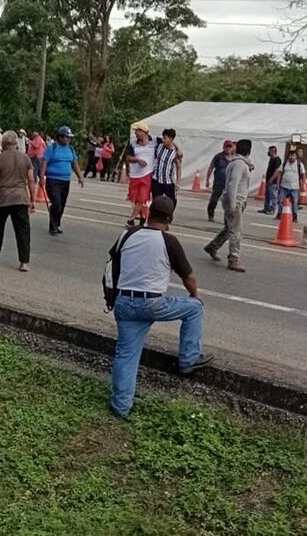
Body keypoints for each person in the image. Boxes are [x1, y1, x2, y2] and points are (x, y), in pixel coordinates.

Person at [108, 196, 212, 418]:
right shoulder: (169, 241)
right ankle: (188, 360)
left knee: (126, 355)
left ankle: (120, 407)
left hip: (123, 302)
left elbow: (112, 265)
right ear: (170, 219)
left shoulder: (127, 234)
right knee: (194, 308)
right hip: (151, 303)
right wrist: (195, 296)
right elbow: (189, 278)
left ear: (148, 213)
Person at [0, 131, 38, 272]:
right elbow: (30, 181)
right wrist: (32, 200)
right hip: (20, 198)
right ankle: (24, 262)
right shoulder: (25, 158)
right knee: (23, 231)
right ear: (16, 144)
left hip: (2, 199)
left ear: (3, 144)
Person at [203, 139, 252, 273]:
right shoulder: (239, 165)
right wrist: (232, 205)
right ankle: (233, 259)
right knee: (236, 231)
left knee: (229, 228)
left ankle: (213, 246)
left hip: (233, 199)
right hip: (235, 200)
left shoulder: (235, 163)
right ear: (248, 151)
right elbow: (232, 185)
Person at [41, 127, 84, 235]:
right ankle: (53, 225)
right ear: (60, 137)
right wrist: (42, 177)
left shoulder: (70, 149)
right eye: (67, 137)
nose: (69, 139)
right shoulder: (52, 148)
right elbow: (44, 162)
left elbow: (74, 163)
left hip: (65, 181)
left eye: (69, 138)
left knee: (62, 204)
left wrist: (80, 176)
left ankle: (56, 224)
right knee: (56, 203)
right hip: (53, 180)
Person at [124, 122, 157, 226]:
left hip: (147, 174)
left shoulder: (154, 142)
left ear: (145, 132)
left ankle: (131, 219)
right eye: (135, 131)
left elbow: (168, 141)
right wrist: (137, 160)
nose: (136, 133)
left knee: (142, 197)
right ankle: (143, 217)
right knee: (135, 198)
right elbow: (128, 158)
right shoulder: (133, 144)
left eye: (138, 131)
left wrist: (177, 149)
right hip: (135, 175)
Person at [205, 140, 235, 222]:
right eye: (226, 147)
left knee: (229, 202)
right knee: (214, 199)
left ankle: (228, 218)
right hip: (219, 183)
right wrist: (207, 180)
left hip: (230, 184)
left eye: (229, 147)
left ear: (232, 148)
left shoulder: (235, 159)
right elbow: (211, 167)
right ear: (223, 147)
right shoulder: (218, 157)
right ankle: (210, 214)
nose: (228, 149)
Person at [274, 148, 306, 222]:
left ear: (296, 157)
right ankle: (279, 215)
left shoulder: (299, 164)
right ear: (288, 156)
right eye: (290, 156)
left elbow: (303, 175)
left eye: (293, 156)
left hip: (295, 188)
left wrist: (303, 185)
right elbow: (279, 173)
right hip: (284, 187)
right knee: (281, 201)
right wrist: (278, 183)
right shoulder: (284, 163)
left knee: (295, 203)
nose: (291, 157)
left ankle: (294, 217)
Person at [151, 129, 182, 202]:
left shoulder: (175, 153)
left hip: (168, 181)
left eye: (165, 138)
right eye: (163, 137)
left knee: (171, 201)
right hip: (156, 180)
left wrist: (178, 182)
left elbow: (179, 168)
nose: (163, 140)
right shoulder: (159, 145)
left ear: (171, 139)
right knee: (156, 202)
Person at [261, 145, 282, 214]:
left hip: (273, 181)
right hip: (268, 180)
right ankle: (266, 208)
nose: (268, 152)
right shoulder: (271, 159)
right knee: (267, 195)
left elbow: (277, 171)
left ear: (273, 151)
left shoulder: (277, 159)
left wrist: (272, 179)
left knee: (273, 196)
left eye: (269, 151)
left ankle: (272, 209)